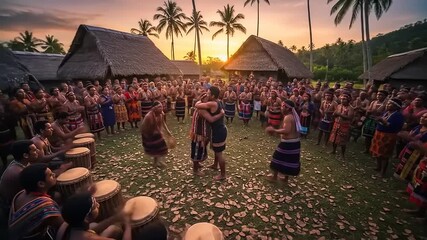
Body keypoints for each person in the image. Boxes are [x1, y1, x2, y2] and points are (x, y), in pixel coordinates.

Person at [8, 163, 63, 240]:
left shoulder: (21, 193)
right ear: (41, 184)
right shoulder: (44, 206)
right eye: (50, 175)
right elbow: (62, 224)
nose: (54, 175)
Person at [56, 190, 132, 240]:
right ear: (86, 218)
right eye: (95, 206)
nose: (98, 205)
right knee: (117, 230)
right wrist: (128, 224)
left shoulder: (67, 223)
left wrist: (115, 218)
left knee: (112, 229)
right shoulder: (90, 238)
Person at [195, 86, 228, 181]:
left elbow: (197, 105)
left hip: (218, 131)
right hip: (220, 129)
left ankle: (223, 174)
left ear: (213, 96)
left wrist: (200, 100)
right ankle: (215, 165)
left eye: (208, 93)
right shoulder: (219, 101)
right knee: (216, 150)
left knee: (219, 153)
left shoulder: (213, 103)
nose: (207, 94)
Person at [265, 100, 302, 184]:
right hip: (295, 143)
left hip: (288, 144)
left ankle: (274, 177)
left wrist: (274, 130)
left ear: (287, 108)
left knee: (277, 158)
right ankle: (285, 178)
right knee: (288, 160)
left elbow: (286, 130)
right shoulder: (293, 116)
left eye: (282, 106)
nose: (281, 108)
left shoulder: (288, 117)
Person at [0, 141, 38, 217]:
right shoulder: (18, 173)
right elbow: (34, 190)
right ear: (25, 155)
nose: (37, 151)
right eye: (34, 150)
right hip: (13, 209)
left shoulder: (19, 162)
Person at [190, 94, 225, 176]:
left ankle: (213, 165)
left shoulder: (215, 103)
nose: (209, 101)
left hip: (206, 132)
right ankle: (195, 169)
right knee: (197, 150)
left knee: (207, 149)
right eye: (207, 99)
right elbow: (211, 119)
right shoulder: (201, 109)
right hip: (199, 133)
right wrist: (221, 114)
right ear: (203, 100)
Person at [370, 98, 405, 178]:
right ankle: (378, 167)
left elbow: (395, 127)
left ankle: (383, 172)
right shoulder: (386, 113)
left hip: (388, 136)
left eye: (390, 104)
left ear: (396, 107)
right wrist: (378, 120)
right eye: (388, 103)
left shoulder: (398, 115)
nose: (387, 105)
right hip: (379, 134)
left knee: (384, 154)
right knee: (377, 152)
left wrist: (383, 121)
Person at [395, 113, 427, 181]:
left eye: (425, 117)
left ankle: (410, 186)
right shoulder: (418, 127)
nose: (422, 118)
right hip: (409, 149)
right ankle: (405, 183)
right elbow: (409, 136)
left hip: (418, 154)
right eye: (422, 116)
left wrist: (412, 139)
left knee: (414, 170)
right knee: (405, 165)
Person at [140, 101, 168, 168]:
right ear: (155, 109)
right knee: (156, 148)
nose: (161, 108)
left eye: (162, 107)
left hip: (156, 132)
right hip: (149, 133)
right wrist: (152, 134)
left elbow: (162, 124)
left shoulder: (161, 114)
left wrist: (166, 131)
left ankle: (158, 161)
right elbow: (145, 128)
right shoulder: (149, 116)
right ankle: (156, 162)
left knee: (162, 147)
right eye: (159, 107)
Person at [328, 92, 354, 160]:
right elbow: (335, 113)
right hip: (336, 123)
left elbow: (349, 117)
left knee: (342, 141)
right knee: (334, 138)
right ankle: (333, 150)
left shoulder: (350, 108)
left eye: (344, 99)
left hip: (344, 125)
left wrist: (339, 114)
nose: (342, 100)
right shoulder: (339, 106)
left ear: (348, 100)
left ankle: (342, 155)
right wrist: (334, 114)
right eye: (342, 99)